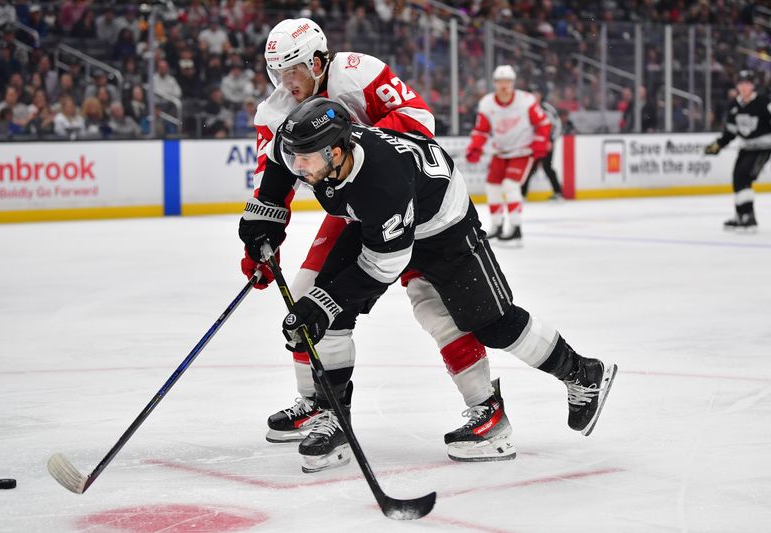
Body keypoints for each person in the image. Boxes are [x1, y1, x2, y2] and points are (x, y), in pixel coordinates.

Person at [239, 97, 617, 473]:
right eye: (296, 158)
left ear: (337, 153)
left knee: (492, 323)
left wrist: (325, 304)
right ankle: (335, 417)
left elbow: (384, 263)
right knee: (330, 313)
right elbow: (276, 159)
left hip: (443, 225)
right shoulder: (311, 149)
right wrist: (264, 220)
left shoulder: (382, 182)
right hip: (379, 220)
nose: (297, 166)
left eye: (305, 160)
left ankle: (581, 372)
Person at [240, 18, 502, 464]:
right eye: (278, 73)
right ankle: (318, 404)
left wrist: (361, 141)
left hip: (406, 202)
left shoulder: (358, 73)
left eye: (295, 71)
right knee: (307, 298)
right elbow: (277, 175)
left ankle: (487, 408)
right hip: (351, 211)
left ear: (319, 61)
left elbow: (420, 121)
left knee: (433, 305)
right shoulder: (277, 110)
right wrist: (264, 232)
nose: (287, 83)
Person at [465, 65, 551, 245]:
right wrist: (475, 147)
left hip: (522, 151)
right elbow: (481, 129)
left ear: (513, 83)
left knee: (510, 186)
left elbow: (543, 123)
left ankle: (516, 229)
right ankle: (497, 226)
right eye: (500, 81)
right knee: (492, 188)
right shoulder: (487, 103)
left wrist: (540, 142)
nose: (504, 85)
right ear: (495, 83)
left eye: (508, 81)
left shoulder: (526, 101)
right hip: (500, 152)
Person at [705, 70, 771, 232]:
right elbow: (730, 132)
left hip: (763, 148)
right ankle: (742, 215)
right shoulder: (735, 105)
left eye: (747, 84)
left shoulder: (764, 103)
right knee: (737, 178)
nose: (743, 87)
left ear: (752, 86)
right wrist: (718, 145)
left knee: (744, 176)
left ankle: (748, 217)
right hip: (746, 148)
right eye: (741, 84)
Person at [521, 84, 563, 201]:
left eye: (537, 93)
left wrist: (551, 141)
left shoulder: (546, 108)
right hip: (532, 145)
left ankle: (558, 192)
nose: (534, 96)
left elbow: (557, 125)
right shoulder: (525, 108)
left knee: (547, 167)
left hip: (546, 144)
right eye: (532, 93)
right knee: (529, 169)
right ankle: (522, 194)